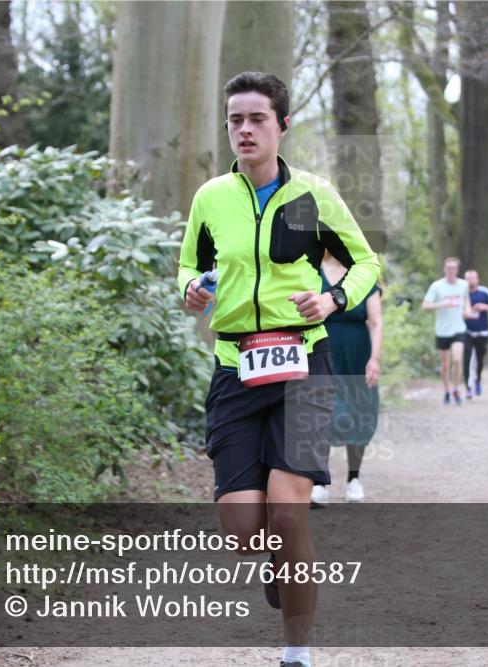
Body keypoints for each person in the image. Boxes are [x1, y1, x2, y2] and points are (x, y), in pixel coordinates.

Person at [178, 71, 380, 667]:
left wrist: (335, 299)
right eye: (235, 119)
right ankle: (283, 562)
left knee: (290, 517)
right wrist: (191, 287)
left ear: (282, 126)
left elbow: (365, 263)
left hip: (304, 363)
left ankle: (297, 653)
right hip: (235, 366)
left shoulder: (314, 195)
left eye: (257, 118)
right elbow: (189, 263)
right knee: (244, 533)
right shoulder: (211, 198)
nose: (244, 129)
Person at [311, 253, 382, 506]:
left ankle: (354, 479)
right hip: (320, 351)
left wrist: (374, 358)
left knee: (358, 413)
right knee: (321, 414)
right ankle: (319, 482)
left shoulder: (362, 273)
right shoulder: (310, 269)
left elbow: (375, 322)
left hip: (356, 354)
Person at [422, 257, 469, 405]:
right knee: (445, 363)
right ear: (444, 269)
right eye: (448, 268)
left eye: (453, 268)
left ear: (457, 270)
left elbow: (466, 300)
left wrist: (467, 309)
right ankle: (447, 390)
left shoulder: (464, 285)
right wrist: (442, 304)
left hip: (458, 329)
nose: (450, 270)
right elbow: (425, 306)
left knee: (456, 359)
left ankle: (456, 389)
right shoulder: (437, 286)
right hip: (442, 330)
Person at [462, 269, 488, 398]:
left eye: (473, 278)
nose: (470, 280)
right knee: (466, 359)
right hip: (465, 331)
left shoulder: (484, 292)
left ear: (477, 279)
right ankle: (467, 387)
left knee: (480, 359)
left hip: (482, 332)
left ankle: (478, 379)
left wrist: (484, 307)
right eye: (468, 278)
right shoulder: (461, 292)